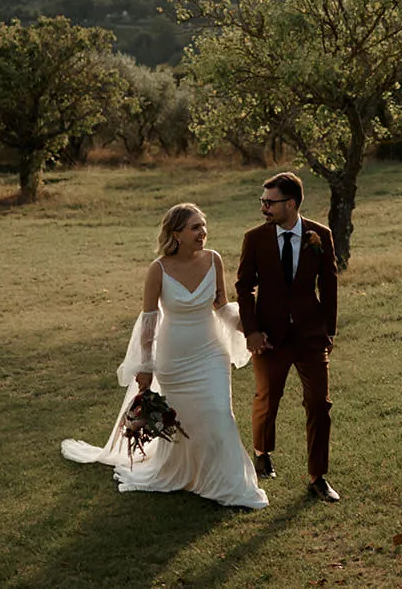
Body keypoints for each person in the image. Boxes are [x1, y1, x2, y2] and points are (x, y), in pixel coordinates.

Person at [61, 203, 268, 509]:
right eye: (195, 227)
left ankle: (229, 485)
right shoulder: (158, 269)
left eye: (204, 226)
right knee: (184, 423)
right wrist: (145, 366)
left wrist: (249, 329)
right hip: (175, 359)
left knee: (219, 415)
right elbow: (149, 321)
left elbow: (222, 306)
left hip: (211, 353)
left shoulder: (214, 260)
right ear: (177, 233)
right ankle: (185, 474)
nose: (203, 233)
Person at [237, 171, 341, 502]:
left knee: (319, 404)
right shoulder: (254, 238)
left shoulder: (319, 235)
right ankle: (262, 450)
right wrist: (251, 331)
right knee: (268, 399)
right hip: (269, 335)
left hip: (310, 335)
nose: (264, 207)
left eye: (270, 202)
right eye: (262, 201)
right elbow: (243, 286)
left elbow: (329, 283)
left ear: (291, 203)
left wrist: (329, 329)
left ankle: (318, 477)